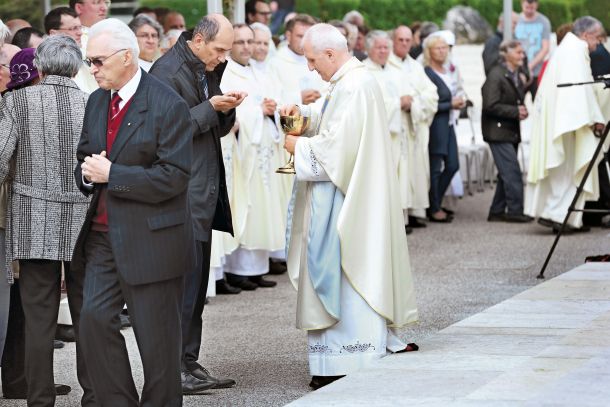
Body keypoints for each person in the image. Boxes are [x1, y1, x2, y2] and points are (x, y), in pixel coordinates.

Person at [281, 23, 418, 390]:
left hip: (346, 201)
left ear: (330, 54)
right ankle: (345, 355)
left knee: (344, 274)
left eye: (312, 59)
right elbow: (339, 129)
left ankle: (345, 357)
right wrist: (308, 119)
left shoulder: (354, 85)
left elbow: (337, 152)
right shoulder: (347, 83)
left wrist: (299, 147)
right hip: (349, 195)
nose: (310, 68)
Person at [74, 18, 193, 406]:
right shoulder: (95, 101)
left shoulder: (167, 103)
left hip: (153, 238)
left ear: (127, 56)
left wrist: (114, 174)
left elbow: (174, 177)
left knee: (157, 346)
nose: (92, 69)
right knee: (92, 322)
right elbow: (84, 160)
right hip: (103, 239)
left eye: (98, 61)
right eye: (88, 61)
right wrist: (88, 176)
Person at [149, 14, 245, 393]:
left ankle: (188, 359)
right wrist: (210, 109)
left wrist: (225, 108)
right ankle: (174, 368)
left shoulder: (205, 66)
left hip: (200, 190)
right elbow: (163, 132)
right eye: (220, 50)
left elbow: (213, 127)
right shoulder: (166, 71)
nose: (223, 58)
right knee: (181, 291)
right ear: (200, 40)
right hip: (180, 195)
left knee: (196, 290)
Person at [0, 36, 92, 405]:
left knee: (39, 314)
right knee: (90, 312)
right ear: (78, 66)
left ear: (38, 65)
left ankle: (39, 398)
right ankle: (96, 394)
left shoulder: (16, 101)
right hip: (84, 220)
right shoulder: (92, 103)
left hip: (30, 218)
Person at [524, 16, 606, 232]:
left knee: (563, 171)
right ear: (587, 35)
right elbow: (579, 91)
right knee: (567, 169)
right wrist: (594, 120)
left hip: (561, 118)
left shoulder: (567, 48)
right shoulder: (575, 50)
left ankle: (561, 216)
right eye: (598, 39)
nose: (599, 44)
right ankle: (558, 216)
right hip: (568, 121)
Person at [220, 23, 282, 290]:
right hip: (243, 150)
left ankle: (257, 267)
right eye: (241, 42)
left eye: (250, 41)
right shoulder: (226, 73)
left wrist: (271, 110)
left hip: (263, 149)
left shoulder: (258, 71)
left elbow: (271, 102)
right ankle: (238, 269)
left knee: (262, 206)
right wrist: (259, 111)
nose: (247, 47)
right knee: (244, 206)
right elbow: (229, 110)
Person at [389, 25, 439, 228]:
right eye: (400, 39)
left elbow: (432, 94)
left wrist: (414, 104)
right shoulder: (385, 66)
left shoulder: (415, 67)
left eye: (407, 40)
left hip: (414, 126)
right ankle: (400, 218)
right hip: (396, 126)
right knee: (399, 173)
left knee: (416, 171)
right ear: (393, 40)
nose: (404, 43)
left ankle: (413, 212)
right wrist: (399, 102)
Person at [362, 31, 409, 231]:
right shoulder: (363, 71)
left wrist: (408, 101)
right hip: (378, 138)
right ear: (368, 49)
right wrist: (397, 103)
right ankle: (381, 223)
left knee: (399, 178)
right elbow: (368, 103)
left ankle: (398, 221)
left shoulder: (395, 70)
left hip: (398, 135)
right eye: (378, 47)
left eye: (385, 47)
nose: (383, 51)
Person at [482, 40, 532, 223]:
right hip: (498, 132)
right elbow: (489, 105)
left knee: (506, 173)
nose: (522, 56)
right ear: (506, 54)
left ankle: (496, 211)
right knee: (511, 172)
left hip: (508, 130)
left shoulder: (515, 74)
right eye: (518, 52)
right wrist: (515, 111)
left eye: (522, 52)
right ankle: (515, 211)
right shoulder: (496, 75)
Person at [423, 35, 465, 223]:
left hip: (448, 124)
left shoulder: (447, 70)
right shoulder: (427, 73)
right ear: (429, 51)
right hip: (436, 126)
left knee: (453, 165)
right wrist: (450, 104)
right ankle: (433, 207)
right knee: (435, 168)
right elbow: (428, 105)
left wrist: (458, 101)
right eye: (437, 48)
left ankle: (436, 202)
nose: (442, 51)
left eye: (444, 47)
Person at [269, 14, 324, 106]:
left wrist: (319, 96)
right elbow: (272, 97)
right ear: (288, 35)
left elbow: (328, 90)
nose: (305, 41)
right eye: (300, 36)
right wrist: (299, 98)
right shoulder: (275, 63)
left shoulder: (319, 61)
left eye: (308, 37)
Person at [45, 6, 98, 94]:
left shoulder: (88, 51)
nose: (80, 33)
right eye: (73, 28)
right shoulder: (48, 65)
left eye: (80, 27)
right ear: (53, 34)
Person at [514, 0, 551, 99]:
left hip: (537, 72)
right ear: (522, 4)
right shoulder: (516, 20)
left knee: (539, 103)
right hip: (519, 72)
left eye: (532, 8)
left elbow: (545, 48)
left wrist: (529, 66)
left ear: (537, 5)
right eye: (527, 7)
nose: (529, 11)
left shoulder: (543, 21)